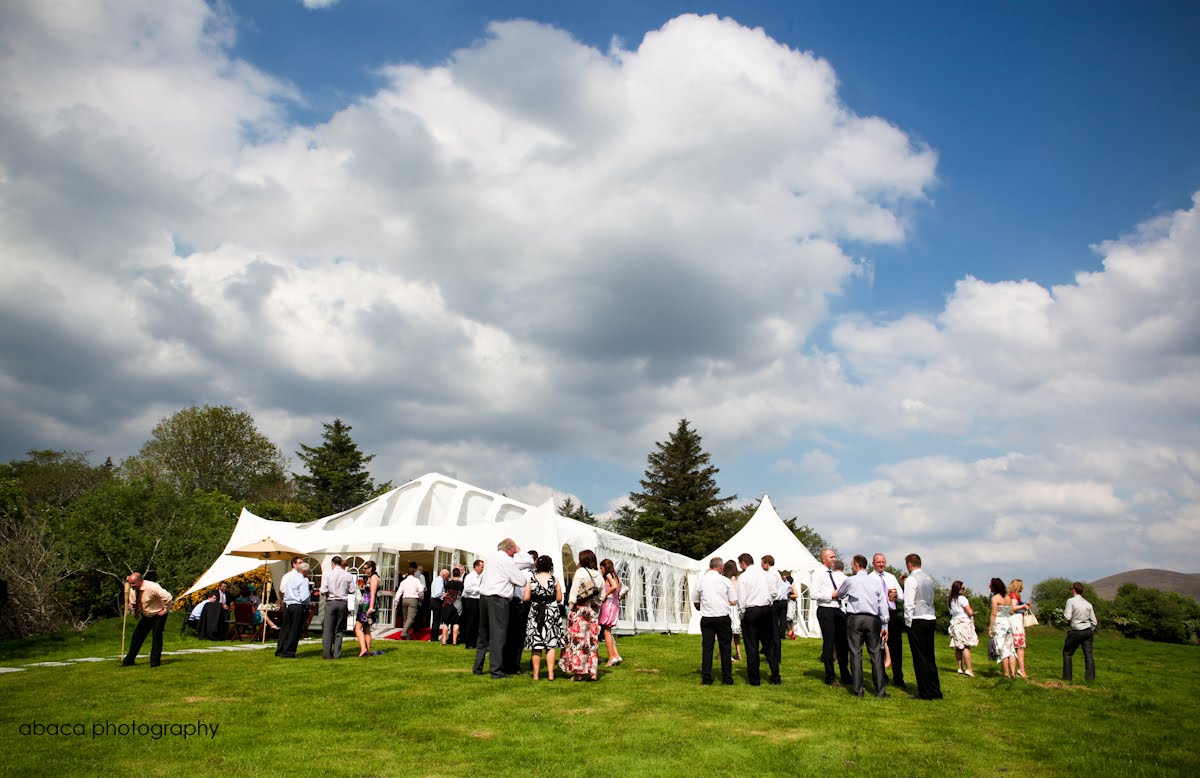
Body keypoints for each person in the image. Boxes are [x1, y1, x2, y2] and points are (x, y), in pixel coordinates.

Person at [473, 538, 533, 679]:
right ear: (509, 549)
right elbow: (521, 580)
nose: (514, 554)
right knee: (498, 636)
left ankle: (477, 667)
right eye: (513, 551)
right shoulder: (507, 560)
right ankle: (496, 670)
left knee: (483, 635)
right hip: (498, 600)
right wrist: (520, 551)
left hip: (484, 598)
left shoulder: (491, 558)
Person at [838, 555, 889, 698]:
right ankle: (880, 690)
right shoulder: (875, 582)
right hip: (873, 619)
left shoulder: (850, 580)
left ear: (855, 564)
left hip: (855, 618)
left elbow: (841, 594)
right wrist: (885, 623)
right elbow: (882, 603)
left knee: (855, 654)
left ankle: (858, 690)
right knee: (876, 654)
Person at [902, 553, 942, 700]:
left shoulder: (911, 579)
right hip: (930, 616)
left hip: (917, 619)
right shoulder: (928, 579)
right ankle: (935, 690)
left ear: (909, 564)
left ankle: (924, 692)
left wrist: (908, 622)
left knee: (919, 657)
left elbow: (909, 603)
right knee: (929, 656)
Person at [561, 549, 604, 681]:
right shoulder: (598, 575)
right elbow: (602, 596)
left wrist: (570, 610)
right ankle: (593, 671)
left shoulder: (580, 572)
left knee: (578, 641)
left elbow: (573, 593)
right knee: (592, 641)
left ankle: (578, 672)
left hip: (580, 611)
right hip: (593, 612)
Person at [737, 552, 780, 686]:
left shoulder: (743, 577)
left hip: (751, 611)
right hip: (766, 610)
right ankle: (775, 676)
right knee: (769, 644)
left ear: (743, 563)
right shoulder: (766, 574)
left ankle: (755, 679)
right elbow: (774, 592)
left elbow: (741, 599)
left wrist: (742, 613)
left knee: (751, 646)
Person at [693, 557, 737, 685]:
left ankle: (706, 677)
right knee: (725, 647)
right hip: (722, 617)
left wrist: (704, 606)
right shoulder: (725, 581)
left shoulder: (701, 581)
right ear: (720, 567)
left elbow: (695, 601)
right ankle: (727, 677)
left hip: (707, 617)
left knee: (707, 648)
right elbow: (733, 601)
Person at [811, 548, 850, 686]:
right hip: (826, 610)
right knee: (829, 642)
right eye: (831, 557)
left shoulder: (833, 574)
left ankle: (845, 674)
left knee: (842, 643)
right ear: (824, 559)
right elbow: (813, 594)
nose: (834, 559)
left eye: (834, 557)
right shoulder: (819, 573)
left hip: (838, 609)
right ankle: (830, 677)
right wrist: (831, 595)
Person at [523, 555, 565, 680]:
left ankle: (536, 675)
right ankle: (551, 674)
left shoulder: (532, 579)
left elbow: (525, 598)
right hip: (551, 611)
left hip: (536, 611)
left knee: (537, 645)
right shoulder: (555, 579)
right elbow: (559, 598)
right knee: (550, 644)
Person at [122, 573, 172, 667]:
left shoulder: (153, 587)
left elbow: (168, 597)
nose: (132, 585)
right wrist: (132, 604)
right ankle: (129, 661)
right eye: (130, 583)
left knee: (156, 636)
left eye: (133, 583)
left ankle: (154, 663)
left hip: (158, 614)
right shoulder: (133, 588)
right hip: (146, 615)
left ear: (141, 581)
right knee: (137, 636)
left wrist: (166, 609)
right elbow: (134, 600)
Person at [872, 553, 906, 689]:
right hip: (878, 616)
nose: (881, 564)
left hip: (893, 614)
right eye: (878, 562)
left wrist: (896, 595)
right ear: (873, 563)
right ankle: (882, 677)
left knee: (896, 647)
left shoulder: (891, 577)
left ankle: (898, 678)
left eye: (883, 562)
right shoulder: (870, 578)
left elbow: (902, 597)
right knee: (878, 647)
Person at [319, 555, 356, 659]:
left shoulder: (328, 574)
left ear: (332, 563)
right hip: (343, 603)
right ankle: (337, 654)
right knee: (339, 629)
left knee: (328, 629)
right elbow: (352, 590)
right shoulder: (348, 575)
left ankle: (327, 654)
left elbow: (323, 590)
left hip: (331, 602)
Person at [1062, 581, 1098, 682]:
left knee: (1067, 653)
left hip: (1076, 631)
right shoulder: (1088, 604)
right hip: (1087, 632)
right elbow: (1094, 622)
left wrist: (1065, 614)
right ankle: (1090, 679)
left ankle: (1067, 678)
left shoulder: (1070, 601)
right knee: (1088, 655)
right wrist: (1089, 630)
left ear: (1073, 590)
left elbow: (1068, 617)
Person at [277, 561, 312, 658]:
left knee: (285, 628)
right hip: (298, 605)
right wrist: (309, 602)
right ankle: (289, 651)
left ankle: (280, 649)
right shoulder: (304, 580)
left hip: (288, 604)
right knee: (295, 629)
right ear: (305, 571)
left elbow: (284, 591)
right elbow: (304, 596)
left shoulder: (290, 578)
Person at [762, 555, 788, 673]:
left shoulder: (771, 574)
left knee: (773, 632)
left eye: (762, 563)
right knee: (776, 630)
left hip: (774, 603)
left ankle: (775, 656)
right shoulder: (776, 573)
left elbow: (772, 591)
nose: (761, 566)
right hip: (780, 602)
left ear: (767, 563)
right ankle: (776, 655)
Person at [947, 580, 977, 677]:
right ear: (958, 589)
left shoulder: (951, 599)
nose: (964, 589)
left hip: (955, 623)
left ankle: (960, 668)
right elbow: (969, 612)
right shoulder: (962, 598)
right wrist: (973, 613)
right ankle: (969, 669)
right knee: (966, 646)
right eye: (962, 588)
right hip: (964, 623)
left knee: (958, 647)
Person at [988, 577, 1016, 678]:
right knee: (1011, 649)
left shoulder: (995, 598)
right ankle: (1013, 673)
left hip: (999, 624)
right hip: (1007, 622)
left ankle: (1006, 674)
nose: (989, 586)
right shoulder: (1008, 597)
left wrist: (990, 627)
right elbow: (1012, 611)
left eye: (990, 585)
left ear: (995, 586)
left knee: (1002, 649)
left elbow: (994, 614)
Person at [598, 558, 623, 667]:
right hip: (614, 604)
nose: (601, 570)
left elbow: (614, 586)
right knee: (607, 630)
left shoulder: (608, 576)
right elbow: (619, 587)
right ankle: (616, 655)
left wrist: (605, 594)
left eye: (601, 568)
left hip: (608, 604)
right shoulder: (616, 576)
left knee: (606, 631)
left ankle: (611, 657)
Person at [354, 560, 381, 657]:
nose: (364, 570)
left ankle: (363, 649)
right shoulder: (371, 578)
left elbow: (372, 594)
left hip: (367, 605)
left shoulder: (373, 578)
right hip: (367, 603)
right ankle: (367, 651)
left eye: (365, 568)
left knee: (357, 628)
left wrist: (370, 607)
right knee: (366, 628)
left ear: (371, 568)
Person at [1008, 579, 1031, 678]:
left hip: (1014, 621)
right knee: (1020, 647)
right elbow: (1013, 608)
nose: (1023, 587)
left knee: (1015, 646)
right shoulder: (1014, 595)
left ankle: (1016, 670)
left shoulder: (1012, 595)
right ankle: (1021, 670)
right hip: (1016, 621)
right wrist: (1024, 606)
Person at [722, 559, 743, 661]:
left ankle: (732, 654)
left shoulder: (723, 580)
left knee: (731, 633)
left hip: (728, 606)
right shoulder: (736, 580)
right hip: (735, 607)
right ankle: (736, 654)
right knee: (735, 633)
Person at [397, 567, 425, 640]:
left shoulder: (403, 582)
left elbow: (399, 592)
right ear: (414, 573)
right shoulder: (416, 580)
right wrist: (421, 597)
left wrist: (396, 601)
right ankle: (404, 633)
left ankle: (407, 637)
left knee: (405, 618)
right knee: (411, 618)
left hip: (404, 599)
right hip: (413, 599)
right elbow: (421, 589)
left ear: (407, 573)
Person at [462, 559, 484, 650]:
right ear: (476, 567)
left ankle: (474, 642)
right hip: (470, 600)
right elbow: (467, 588)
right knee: (470, 622)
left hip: (478, 600)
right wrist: (479, 589)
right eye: (481, 567)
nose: (483, 569)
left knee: (477, 622)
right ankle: (468, 642)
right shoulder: (470, 576)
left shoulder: (480, 577)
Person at [440, 568, 465, 645]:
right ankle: (454, 641)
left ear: (452, 574)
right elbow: (462, 594)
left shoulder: (448, 583)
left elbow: (446, 592)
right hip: (457, 604)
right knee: (456, 623)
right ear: (460, 574)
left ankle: (444, 641)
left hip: (447, 604)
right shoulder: (461, 584)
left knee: (446, 623)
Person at [430, 568, 449, 641]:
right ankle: (434, 638)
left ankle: (434, 637)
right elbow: (438, 593)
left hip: (434, 600)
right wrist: (445, 594)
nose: (447, 577)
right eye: (447, 576)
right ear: (444, 575)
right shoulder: (440, 581)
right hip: (437, 601)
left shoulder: (437, 579)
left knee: (436, 619)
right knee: (436, 620)